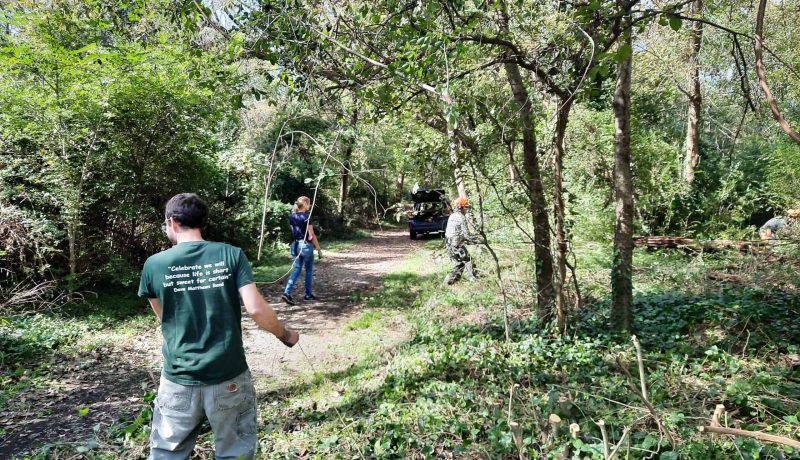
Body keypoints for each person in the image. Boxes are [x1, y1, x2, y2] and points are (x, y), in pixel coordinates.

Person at [138, 193, 299, 460]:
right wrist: (285, 335)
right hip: (228, 376)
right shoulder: (231, 255)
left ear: (172, 222)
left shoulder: (154, 264)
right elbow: (256, 309)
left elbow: (164, 316)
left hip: (179, 378)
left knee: (167, 453)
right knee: (234, 452)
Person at [281, 196, 322, 305]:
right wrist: (318, 248)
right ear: (304, 204)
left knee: (297, 269)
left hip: (295, 245)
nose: (309, 206)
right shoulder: (307, 217)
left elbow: (294, 231)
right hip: (305, 247)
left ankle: (287, 292)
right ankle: (308, 295)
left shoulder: (292, 216)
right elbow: (311, 235)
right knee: (308, 270)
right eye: (308, 204)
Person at [444, 197, 481, 285]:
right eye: (465, 207)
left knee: (459, 264)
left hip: (449, 244)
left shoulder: (452, 216)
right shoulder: (461, 217)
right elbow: (467, 235)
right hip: (456, 245)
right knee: (468, 260)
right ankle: (474, 278)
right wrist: (478, 240)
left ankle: (449, 281)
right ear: (460, 207)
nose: (466, 209)